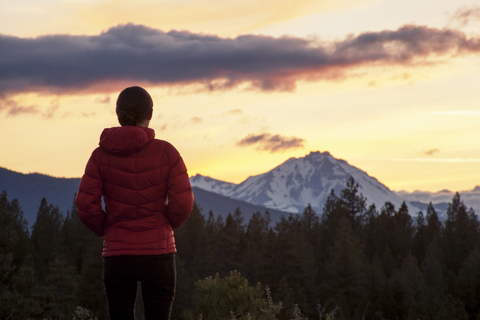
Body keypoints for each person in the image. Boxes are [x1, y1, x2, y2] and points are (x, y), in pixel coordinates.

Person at [75, 86, 194, 320]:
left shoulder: (100, 156)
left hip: (118, 255)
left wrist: (107, 228)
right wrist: (165, 225)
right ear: (149, 114)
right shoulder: (167, 153)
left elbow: (86, 204)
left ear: (119, 114)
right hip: (159, 254)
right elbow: (183, 202)